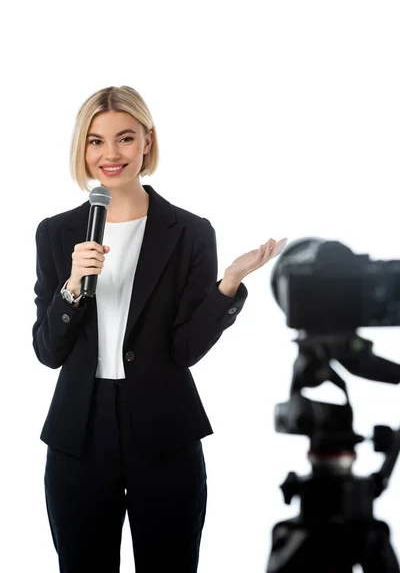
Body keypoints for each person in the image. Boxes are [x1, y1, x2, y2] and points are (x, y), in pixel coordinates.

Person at [32, 85, 287, 573]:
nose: (111, 154)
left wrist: (228, 285)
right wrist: (70, 287)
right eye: (96, 140)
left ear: (147, 141)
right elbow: (47, 351)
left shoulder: (190, 231)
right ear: (81, 148)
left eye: (125, 138)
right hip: (79, 433)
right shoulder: (57, 232)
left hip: (164, 428)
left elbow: (185, 348)